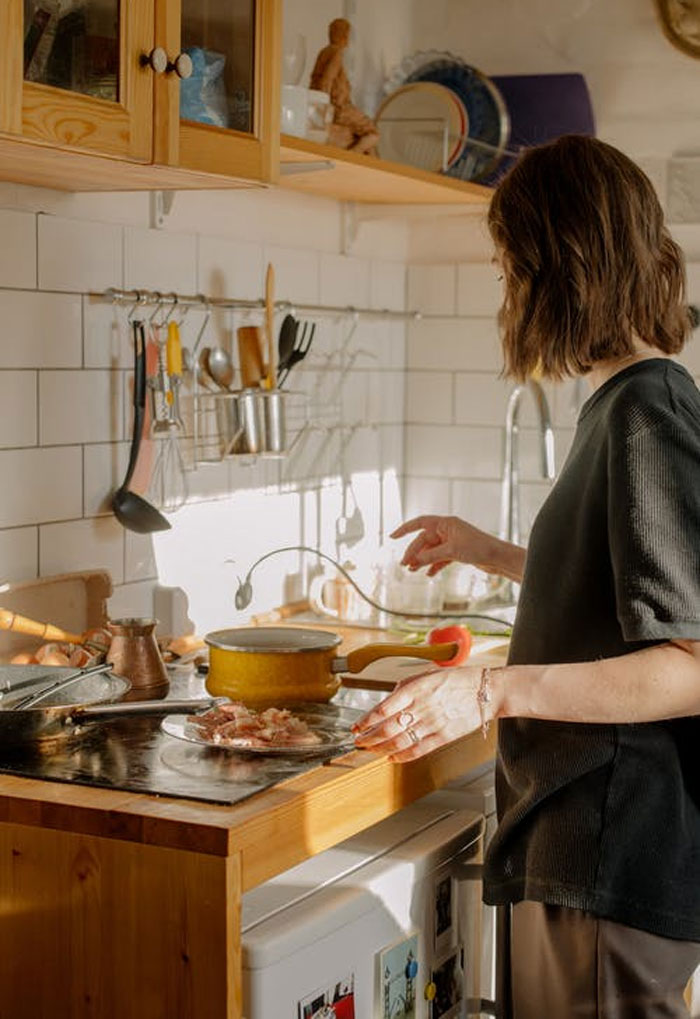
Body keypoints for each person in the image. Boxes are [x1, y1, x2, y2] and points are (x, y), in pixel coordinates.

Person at [353, 134, 700, 1018]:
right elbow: (620, 591)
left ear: (559, 271)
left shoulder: (644, 418)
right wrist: (491, 550)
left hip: (609, 854)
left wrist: (487, 692)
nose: (507, 296)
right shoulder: (633, 402)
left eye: (513, 272)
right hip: (595, 851)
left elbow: (691, 660)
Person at [308, 18, 379, 154]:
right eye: (347, 34)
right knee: (372, 133)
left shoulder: (324, 52)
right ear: (344, 35)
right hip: (338, 107)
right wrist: (327, 109)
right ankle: (352, 155)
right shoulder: (336, 52)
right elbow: (327, 80)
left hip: (322, 103)